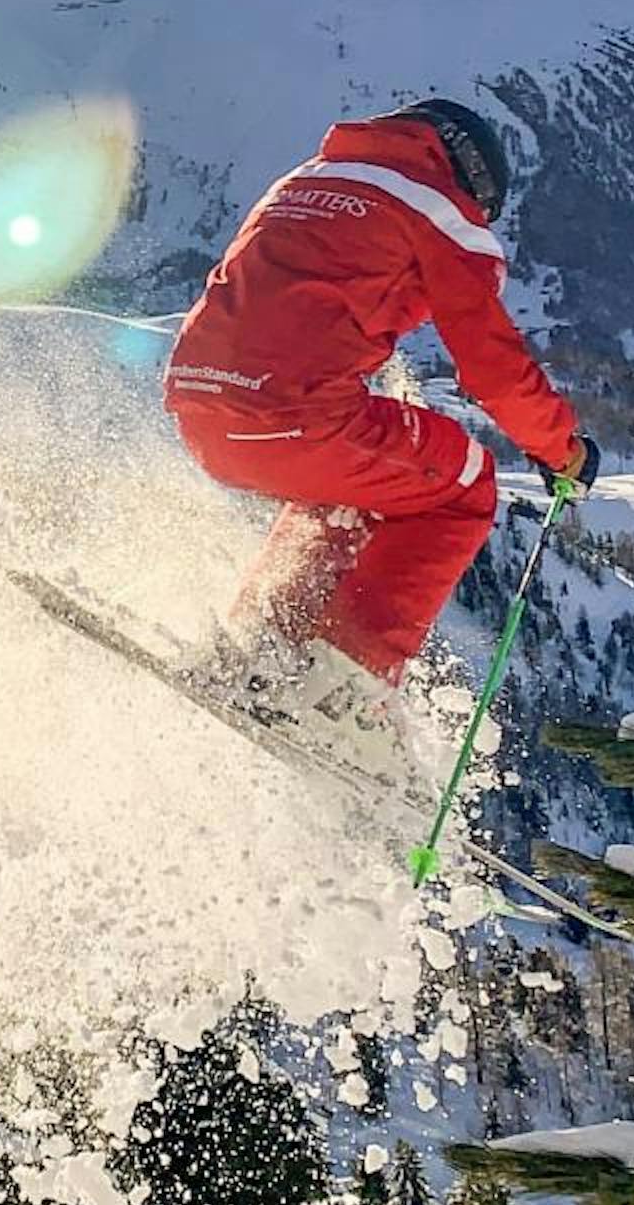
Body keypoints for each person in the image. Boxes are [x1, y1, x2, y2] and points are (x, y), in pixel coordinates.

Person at [163, 97, 598, 785]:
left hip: (198, 404)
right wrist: (561, 448)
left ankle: (261, 650)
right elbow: (490, 363)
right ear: (473, 179)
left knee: (355, 481)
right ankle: (344, 691)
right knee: (464, 483)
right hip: (294, 412)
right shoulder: (438, 209)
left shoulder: (306, 181)